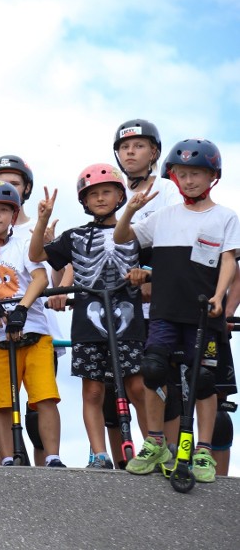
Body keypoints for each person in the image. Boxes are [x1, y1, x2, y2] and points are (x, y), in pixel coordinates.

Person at [114, 138, 240, 482]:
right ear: (173, 176)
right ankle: (154, 443)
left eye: (196, 174)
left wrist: (219, 298)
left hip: (204, 313)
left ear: (213, 177)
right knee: (153, 371)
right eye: (182, 174)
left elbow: (229, 260)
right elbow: (122, 238)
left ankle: (203, 451)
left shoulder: (226, 217)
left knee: (204, 381)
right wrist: (129, 209)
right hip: (164, 311)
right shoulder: (164, 216)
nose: (189, 181)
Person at [29, 165, 147, 470]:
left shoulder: (138, 232)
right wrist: (42, 219)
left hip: (129, 321)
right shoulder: (76, 236)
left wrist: (143, 277)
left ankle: (153, 445)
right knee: (92, 390)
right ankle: (98, 453)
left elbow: (155, 268)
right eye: (93, 194)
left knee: (136, 386)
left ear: (121, 195)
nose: (100, 198)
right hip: (88, 323)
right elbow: (36, 255)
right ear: (84, 201)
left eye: (107, 191)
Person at [0, 180, 65, 467]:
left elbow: (40, 278)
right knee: (1, 402)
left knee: (45, 396)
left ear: (13, 215)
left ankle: (53, 455)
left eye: (4, 210)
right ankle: (7, 458)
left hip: (33, 330)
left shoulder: (23, 244)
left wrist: (22, 308)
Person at [105, 119, 184, 466]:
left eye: (138, 146)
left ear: (154, 152)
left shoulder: (166, 189)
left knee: (159, 377)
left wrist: (153, 275)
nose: (130, 152)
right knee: (119, 387)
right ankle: (134, 455)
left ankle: (169, 453)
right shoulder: (110, 192)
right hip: (119, 303)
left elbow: (173, 239)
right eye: (124, 147)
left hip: (158, 298)